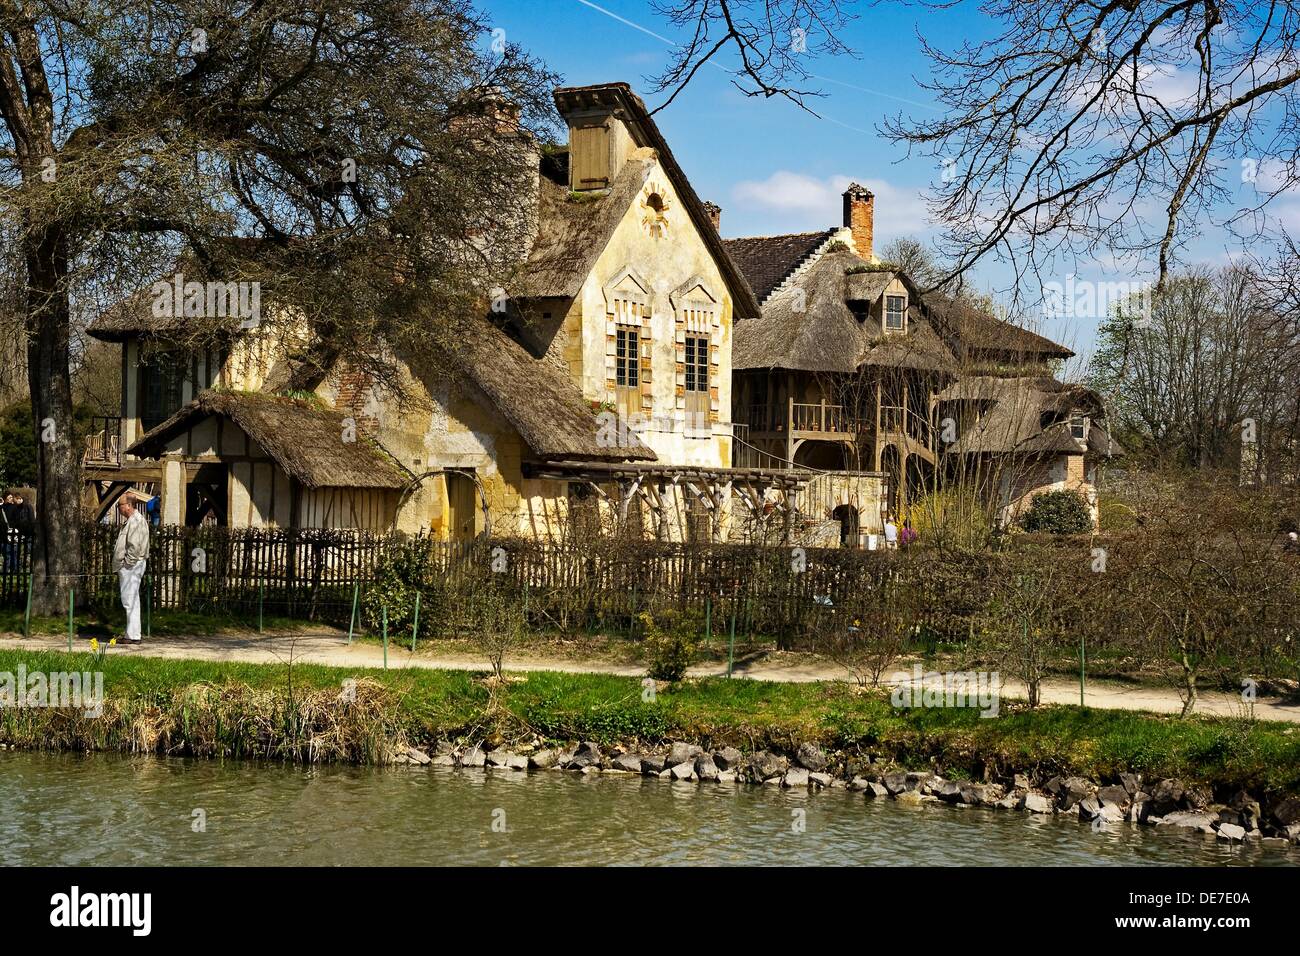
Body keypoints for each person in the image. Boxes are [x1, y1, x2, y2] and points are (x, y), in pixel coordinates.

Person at [113, 493, 150, 643]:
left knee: (130, 600)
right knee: (130, 599)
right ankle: (132, 634)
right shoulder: (134, 520)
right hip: (133, 565)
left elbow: (134, 547)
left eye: (120, 505)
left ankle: (133, 636)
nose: (119, 508)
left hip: (132, 566)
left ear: (128, 506)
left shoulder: (135, 521)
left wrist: (126, 564)